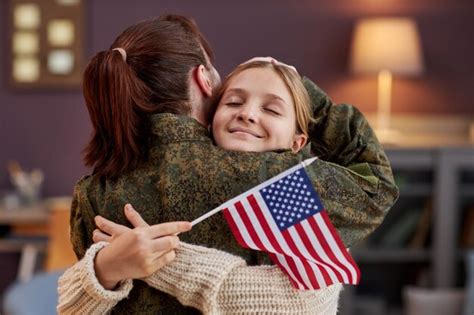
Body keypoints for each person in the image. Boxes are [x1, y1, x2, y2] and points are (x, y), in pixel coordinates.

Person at [57, 14, 398, 314]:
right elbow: (376, 186)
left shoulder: (94, 193)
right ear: (204, 79)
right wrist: (310, 98)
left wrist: (111, 268)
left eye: (271, 108)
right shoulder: (271, 181)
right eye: (233, 97)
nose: (248, 113)